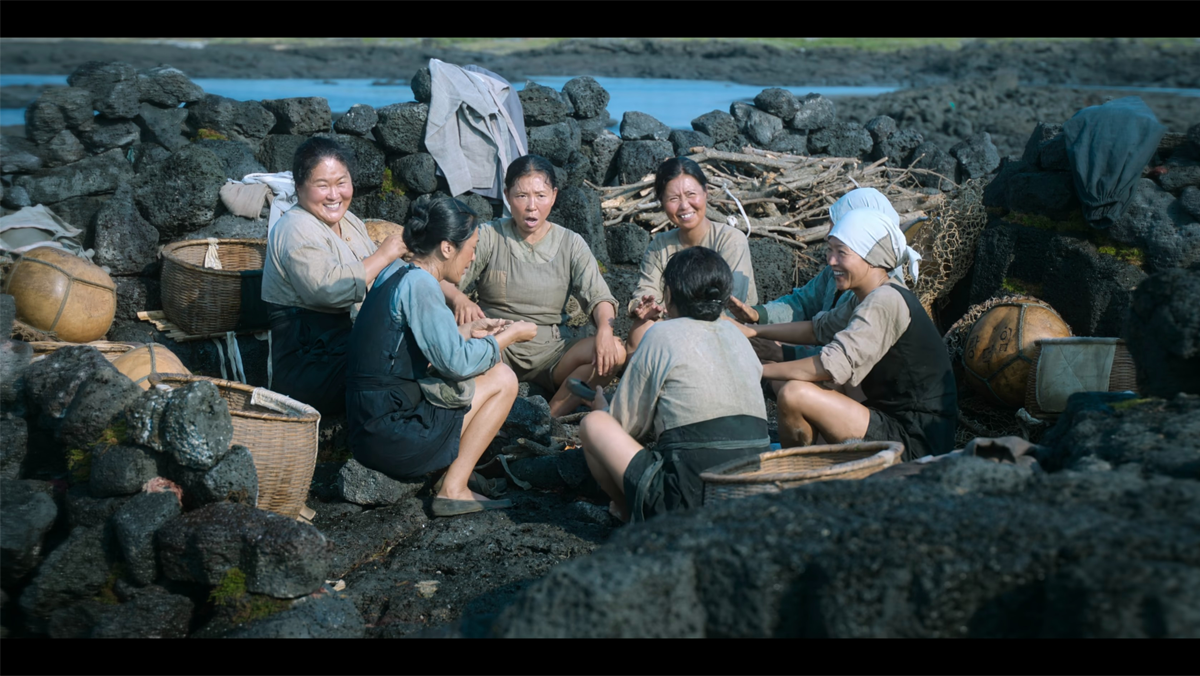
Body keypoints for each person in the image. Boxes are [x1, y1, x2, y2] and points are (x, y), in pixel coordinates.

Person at [345, 199, 538, 516]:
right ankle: (453, 488)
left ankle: (446, 475)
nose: (473, 257)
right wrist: (510, 336)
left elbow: (406, 347)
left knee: (485, 371)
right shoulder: (422, 285)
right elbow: (456, 363)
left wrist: (470, 329)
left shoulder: (396, 273)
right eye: (471, 248)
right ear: (447, 248)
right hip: (392, 436)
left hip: (369, 428)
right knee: (503, 378)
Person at [728, 207, 956, 461]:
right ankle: (813, 460)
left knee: (795, 394)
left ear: (871, 258)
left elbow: (830, 366)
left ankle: (798, 473)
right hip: (882, 413)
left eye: (842, 253)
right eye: (830, 250)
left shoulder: (884, 301)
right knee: (790, 382)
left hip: (914, 440)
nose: (831, 261)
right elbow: (818, 329)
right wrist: (752, 330)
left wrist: (755, 370)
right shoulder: (869, 294)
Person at [581, 247, 770, 523]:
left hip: (689, 496)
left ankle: (627, 514)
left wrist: (602, 407)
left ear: (668, 294)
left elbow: (626, 425)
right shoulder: (737, 335)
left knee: (595, 424)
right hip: (752, 491)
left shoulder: (661, 333)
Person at [440, 154, 625, 418]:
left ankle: (549, 420)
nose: (531, 206)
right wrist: (460, 299)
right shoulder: (490, 236)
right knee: (462, 352)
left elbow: (599, 297)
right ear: (506, 195)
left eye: (540, 195)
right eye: (521, 196)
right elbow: (440, 279)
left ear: (554, 196)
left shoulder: (571, 243)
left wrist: (605, 330)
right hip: (499, 343)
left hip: (554, 350)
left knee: (616, 353)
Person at [261, 136, 407, 415]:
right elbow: (328, 290)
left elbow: (393, 275)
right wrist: (383, 255)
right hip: (310, 366)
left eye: (341, 183)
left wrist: (452, 295)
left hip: (345, 346)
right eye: (322, 185)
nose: (334, 195)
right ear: (300, 186)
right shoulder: (294, 228)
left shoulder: (348, 220)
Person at [726, 187, 905, 364]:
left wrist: (781, 353)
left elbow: (843, 358)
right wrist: (758, 315)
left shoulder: (876, 292)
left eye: (836, 225)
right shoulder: (840, 270)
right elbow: (805, 305)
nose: (828, 234)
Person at [626, 157, 758, 352]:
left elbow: (729, 304)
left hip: (723, 329)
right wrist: (644, 307)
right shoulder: (660, 245)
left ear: (706, 193)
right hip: (674, 325)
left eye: (691, 194)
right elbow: (645, 292)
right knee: (640, 329)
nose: (684, 206)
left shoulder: (731, 240)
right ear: (661, 202)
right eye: (673, 198)